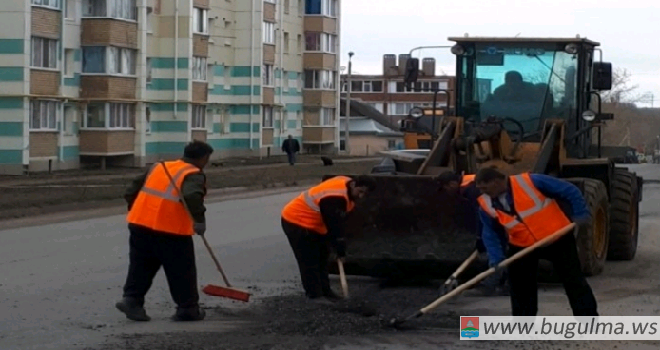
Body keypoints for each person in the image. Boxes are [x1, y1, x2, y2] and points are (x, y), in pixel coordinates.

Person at [474, 167, 598, 316]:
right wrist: (496, 258)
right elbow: (490, 233)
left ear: (496, 181)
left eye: (485, 187)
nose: (483, 192)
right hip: (522, 244)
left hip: (557, 237)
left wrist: (580, 212)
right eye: (480, 188)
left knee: (573, 280)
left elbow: (570, 190)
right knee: (521, 286)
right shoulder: (485, 204)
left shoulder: (531, 181)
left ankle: (588, 319)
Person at [116, 140, 214, 322]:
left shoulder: (160, 167)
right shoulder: (193, 173)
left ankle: (132, 301)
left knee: (141, 265)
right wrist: (199, 220)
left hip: (139, 224)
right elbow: (191, 195)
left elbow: (132, 189)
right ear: (203, 158)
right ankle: (187, 309)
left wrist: (136, 207)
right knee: (181, 269)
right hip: (170, 230)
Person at [280, 175, 376, 304]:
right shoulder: (334, 197)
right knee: (309, 259)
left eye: (365, 194)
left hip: (315, 224)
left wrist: (337, 244)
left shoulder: (347, 186)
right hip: (297, 221)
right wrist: (339, 246)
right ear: (353, 185)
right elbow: (333, 224)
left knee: (322, 257)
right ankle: (314, 295)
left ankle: (326, 291)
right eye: (360, 192)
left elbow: (338, 222)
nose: (361, 196)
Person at [435, 171, 509, 296]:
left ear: (452, 184)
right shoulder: (471, 184)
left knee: (496, 253)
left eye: (445, 188)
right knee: (500, 252)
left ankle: (494, 284)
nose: (446, 191)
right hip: (498, 221)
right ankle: (501, 283)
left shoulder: (471, 190)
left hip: (497, 222)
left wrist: (480, 237)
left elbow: (482, 213)